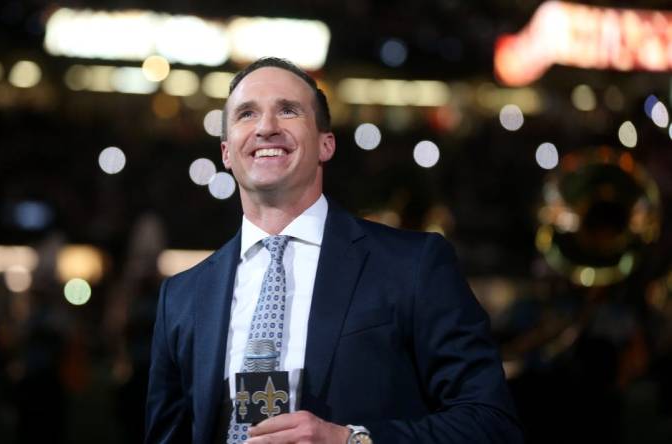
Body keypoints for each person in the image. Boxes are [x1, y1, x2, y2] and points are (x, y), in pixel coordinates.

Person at [144, 57, 523, 443]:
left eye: (288, 111)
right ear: (226, 153)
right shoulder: (182, 297)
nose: (266, 127)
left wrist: (349, 440)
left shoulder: (413, 265)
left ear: (326, 144)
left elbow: (491, 423)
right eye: (246, 114)